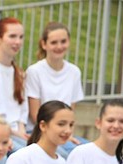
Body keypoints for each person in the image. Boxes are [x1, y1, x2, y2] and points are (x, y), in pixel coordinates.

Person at [25, 21, 85, 155]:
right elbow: (35, 114)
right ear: (44, 44)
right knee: (67, 154)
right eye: (53, 42)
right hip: (42, 131)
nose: (59, 46)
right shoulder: (34, 71)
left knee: (90, 152)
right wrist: (61, 131)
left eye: (63, 41)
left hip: (64, 131)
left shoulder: (74, 72)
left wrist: (67, 131)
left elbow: (71, 110)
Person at [0, 17, 28, 153]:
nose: (17, 42)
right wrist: (15, 134)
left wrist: (21, 131)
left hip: (19, 133)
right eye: (12, 36)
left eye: (21, 37)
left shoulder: (19, 73)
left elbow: (23, 110)